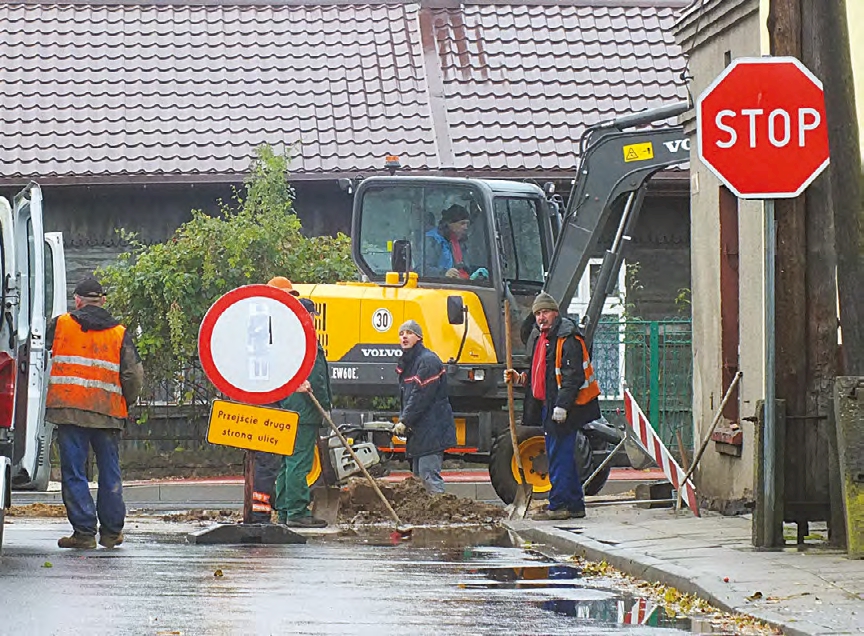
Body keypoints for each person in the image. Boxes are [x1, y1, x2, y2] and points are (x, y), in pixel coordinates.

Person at [46, 277, 143, 549]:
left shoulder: (61, 324)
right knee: (109, 473)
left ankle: (84, 534)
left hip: (70, 411)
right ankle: (112, 533)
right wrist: (126, 403)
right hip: (108, 412)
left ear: (77, 300)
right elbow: (133, 375)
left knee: (74, 472)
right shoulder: (119, 332)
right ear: (102, 300)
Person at [504, 291, 601, 521]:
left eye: (545, 312)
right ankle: (575, 505)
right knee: (561, 455)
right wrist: (520, 379)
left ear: (555, 313)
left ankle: (558, 505)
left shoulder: (568, 338)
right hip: (549, 406)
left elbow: (572, 377)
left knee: (559, 457)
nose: (541, 317)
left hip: (566, 409)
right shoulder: (542, 339)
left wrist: (562, 406)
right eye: (537, 313)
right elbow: (541, 374)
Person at [274, 298, 332, 528]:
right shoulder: (307, 342)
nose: (313, 319)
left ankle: (284, 510)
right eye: (312, 314)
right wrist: (326, 406)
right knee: (299, 462)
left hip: (289, 408)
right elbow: (317, 378)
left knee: (287, 461)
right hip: (304, 411)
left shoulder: (287, 341)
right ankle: (297, 512)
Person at [250, 277, 303, 523]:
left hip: (270, 401)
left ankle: (259, 513)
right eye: (288, 296)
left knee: (268, 462)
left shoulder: (273, 325)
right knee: (266, 462)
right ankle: (260, 516)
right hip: (265, 403)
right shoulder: (266, 327)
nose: (292, 302)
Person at [393, 320, 457, 493]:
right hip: (420, 431)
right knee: (418, 482)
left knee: (428, 476)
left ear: (419, 337)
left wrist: (405, 421)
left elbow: (420, 395)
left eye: (409, 333)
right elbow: (408, 397)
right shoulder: (409, 362)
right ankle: (424, 519)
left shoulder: (427, 361)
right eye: (401, 333)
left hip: (432, 429)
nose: (404, 336)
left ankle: (440, 515)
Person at [424, 203, 488, 280]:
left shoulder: (459, 242)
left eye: (467, 224)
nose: (466, 227)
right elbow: (421, 268)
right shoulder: (432, 240)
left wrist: (478, 271)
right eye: (462, 223)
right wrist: (444, 273)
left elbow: (464, 267)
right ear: (449, 224)